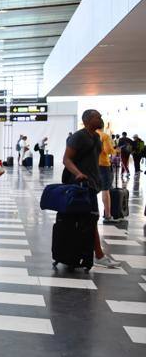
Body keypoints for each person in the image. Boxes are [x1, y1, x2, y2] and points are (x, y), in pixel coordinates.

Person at [63, 110, 120, 268]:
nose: (101, 119)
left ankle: (89, 253)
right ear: (88, 120)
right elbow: (66, 159)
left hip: (92, 184)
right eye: (97, 117)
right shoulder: (78, 136)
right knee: (91, 218)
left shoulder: (96, 137)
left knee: (90, 218)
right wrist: (78, 173)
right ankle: (98, 255)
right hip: (80, 185)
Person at [98, 128, 117, 224]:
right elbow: (108, 150)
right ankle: (108, 216)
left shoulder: (87, 135)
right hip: (103, 165)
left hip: (90, 166)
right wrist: (114, 151)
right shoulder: (104, 136)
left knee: (90, 189)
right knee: (105, 189)